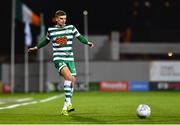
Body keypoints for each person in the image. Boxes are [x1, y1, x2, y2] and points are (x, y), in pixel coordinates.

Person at [28, 10, 94, 116]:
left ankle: (65, 107)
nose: (64, 20)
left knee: (73, 80)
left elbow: (79, 36)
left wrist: (87, 42)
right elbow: (46, 40)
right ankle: (69, 104)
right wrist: (36, 47)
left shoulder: (71, 28)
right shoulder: (51, 30)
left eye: (65, 18)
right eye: (61, 19)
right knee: (68, 77)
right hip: (58, 58)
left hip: (70, 59)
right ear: (57, 19)